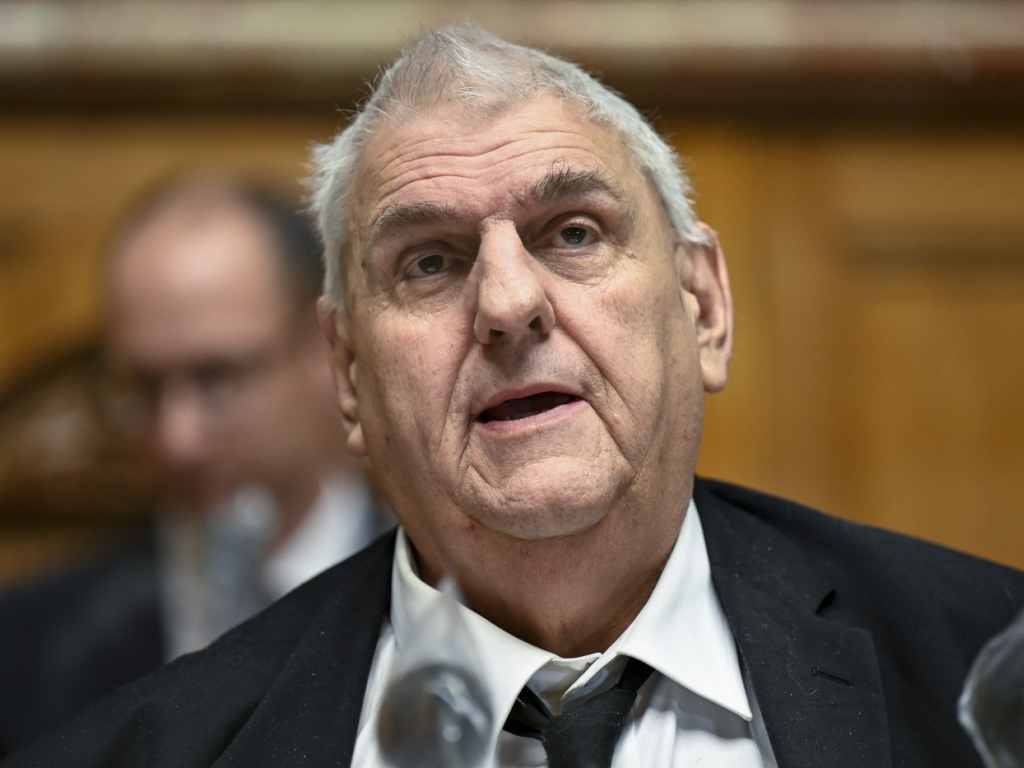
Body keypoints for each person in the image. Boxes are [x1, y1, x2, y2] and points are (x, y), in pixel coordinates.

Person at [4, 23, 1024, 768]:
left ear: (703, 308)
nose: (506, 304)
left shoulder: (981, 662)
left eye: (573, 233)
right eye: (430, 263)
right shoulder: (145, 750)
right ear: (349, 375)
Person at [0, 176, 391, 756]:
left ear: (326, 349)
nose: (175, 438)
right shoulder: (23, 646)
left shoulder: (455, 602)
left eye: (218, 377)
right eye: (143, 384)